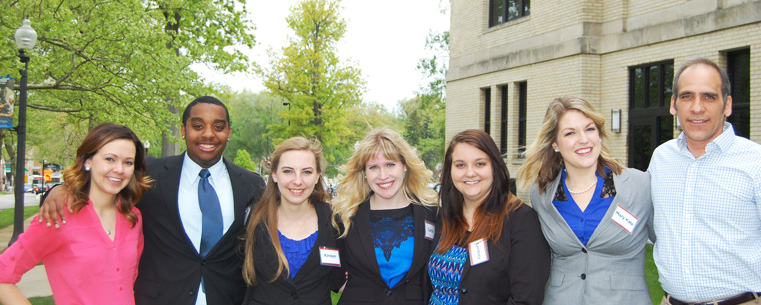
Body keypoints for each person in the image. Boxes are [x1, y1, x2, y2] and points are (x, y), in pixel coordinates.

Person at [39, 96, 266, 305]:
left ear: (229, 132)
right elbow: (103, 183)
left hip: (229, 298)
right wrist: (61, 188)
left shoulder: (250, 184)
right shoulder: (148, 174)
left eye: (218, 127)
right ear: (183, 131)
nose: (208, 134)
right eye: (197, 126)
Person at [516, 96, 653, 305]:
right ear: (555, 144)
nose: (584, 139)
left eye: (589, 129)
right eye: (570, 133)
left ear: (599, 134)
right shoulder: (542, 194)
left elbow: (669, 244)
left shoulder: (639, 185)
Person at [649, 58, 761, 305]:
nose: (697, 107)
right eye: (687, 96)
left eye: (709, 97)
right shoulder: (661, 159)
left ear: (727, 105)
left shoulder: (756, 162)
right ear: (673, 105)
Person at [0, 123, 152, 305]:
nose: (119, 169)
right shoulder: (58, 215)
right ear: (88, 161)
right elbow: (3, 274)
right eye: (110, 159)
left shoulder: (133, 217)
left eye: (128, 162)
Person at [428, 129, 550, 305]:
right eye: (460, 165)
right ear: (450, 171)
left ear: (494, 166)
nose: (470, 173)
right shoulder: (444, 217)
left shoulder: (521, 221)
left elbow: (526, 298)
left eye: (480, 164)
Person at [331, 128, 438, 305]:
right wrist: (340, 283)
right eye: (374, 167)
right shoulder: (346, 215)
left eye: (390, 164)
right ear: (364, 172)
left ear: (404, 165)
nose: (383, 175)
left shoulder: (431, 213)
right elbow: (328, 258)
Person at [241, 137, 339, 304]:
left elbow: (344, 278)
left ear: (317, 177)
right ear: (274, 175)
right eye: (288, 171)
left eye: (306, 172)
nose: (297, 181)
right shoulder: (254, 219)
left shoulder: (335, 222)